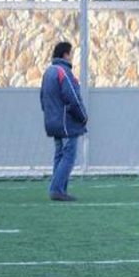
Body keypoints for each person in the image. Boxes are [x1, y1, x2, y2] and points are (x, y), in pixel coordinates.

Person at [39, 41, 87, 201]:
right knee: (68, 157)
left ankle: (59, 189)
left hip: (52, 122)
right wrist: (83, 117)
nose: (72, 56)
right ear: (65, 54)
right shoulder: (63, 72)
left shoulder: (48, 72)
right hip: (66, 124)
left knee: (59, 156)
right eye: (71, 53)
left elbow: (42, 99)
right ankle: (57, 189)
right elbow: (73, 98)